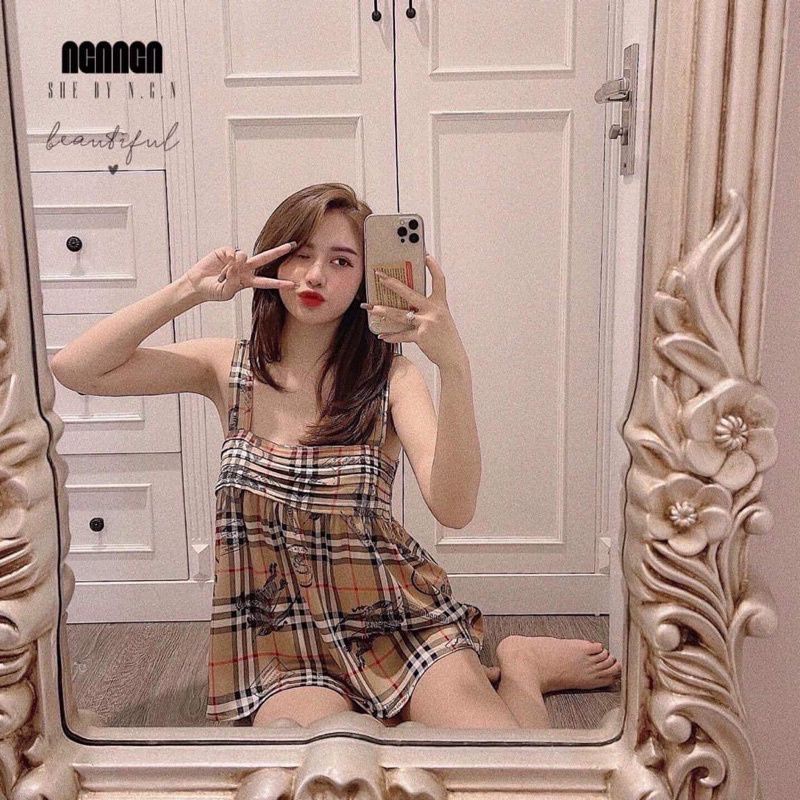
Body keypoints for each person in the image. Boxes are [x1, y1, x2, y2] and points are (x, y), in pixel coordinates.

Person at [51, 183, 621, 731]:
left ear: (365, 278)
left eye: (342, 261)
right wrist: (190, 290)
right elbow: (77, 369)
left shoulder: (391, 377)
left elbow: (455, 508)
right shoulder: (227, 367)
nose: (315, 275)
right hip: (281, 637)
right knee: (316, 767)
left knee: (495, 763)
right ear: (274, 258)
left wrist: (454, 365)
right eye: (301, 253)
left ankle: (521, 667)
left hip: (392, 616)